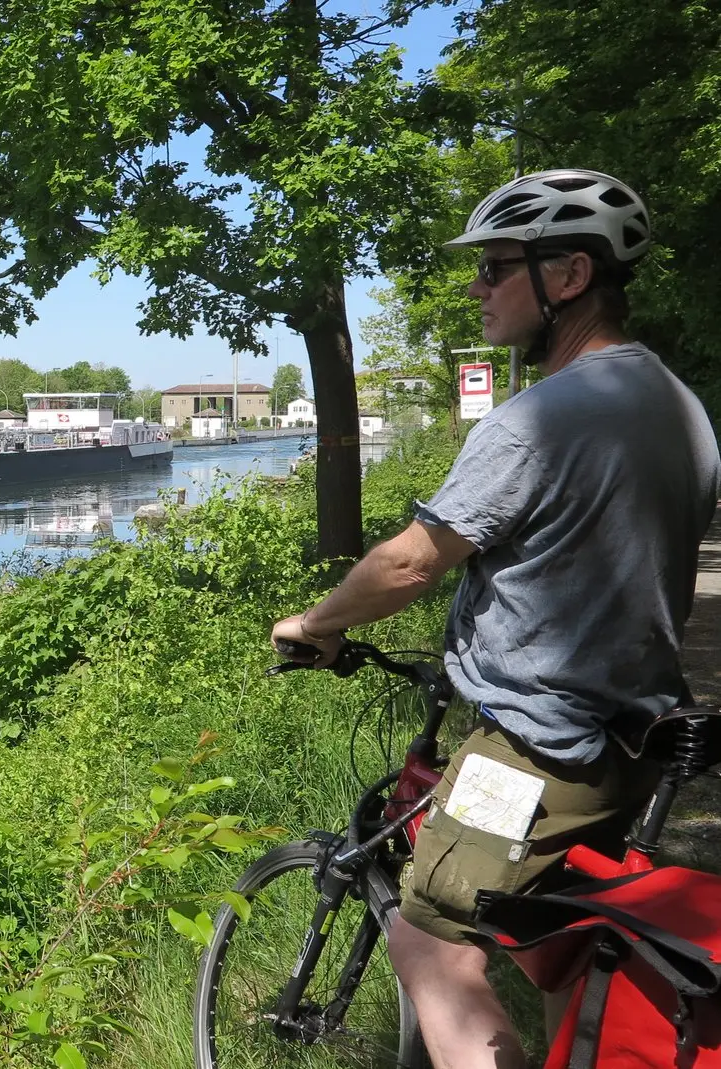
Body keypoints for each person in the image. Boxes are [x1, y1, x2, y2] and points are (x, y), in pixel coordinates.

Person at [271, 169, 721, 1069]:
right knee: (566, 951)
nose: (477, 287)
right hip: (628, 738)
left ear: (569, 276)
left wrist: (317, 622)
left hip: (533, 747)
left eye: (497, 266)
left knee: (429, 939)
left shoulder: (540, 419)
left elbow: (409, 562)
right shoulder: (682, 411)